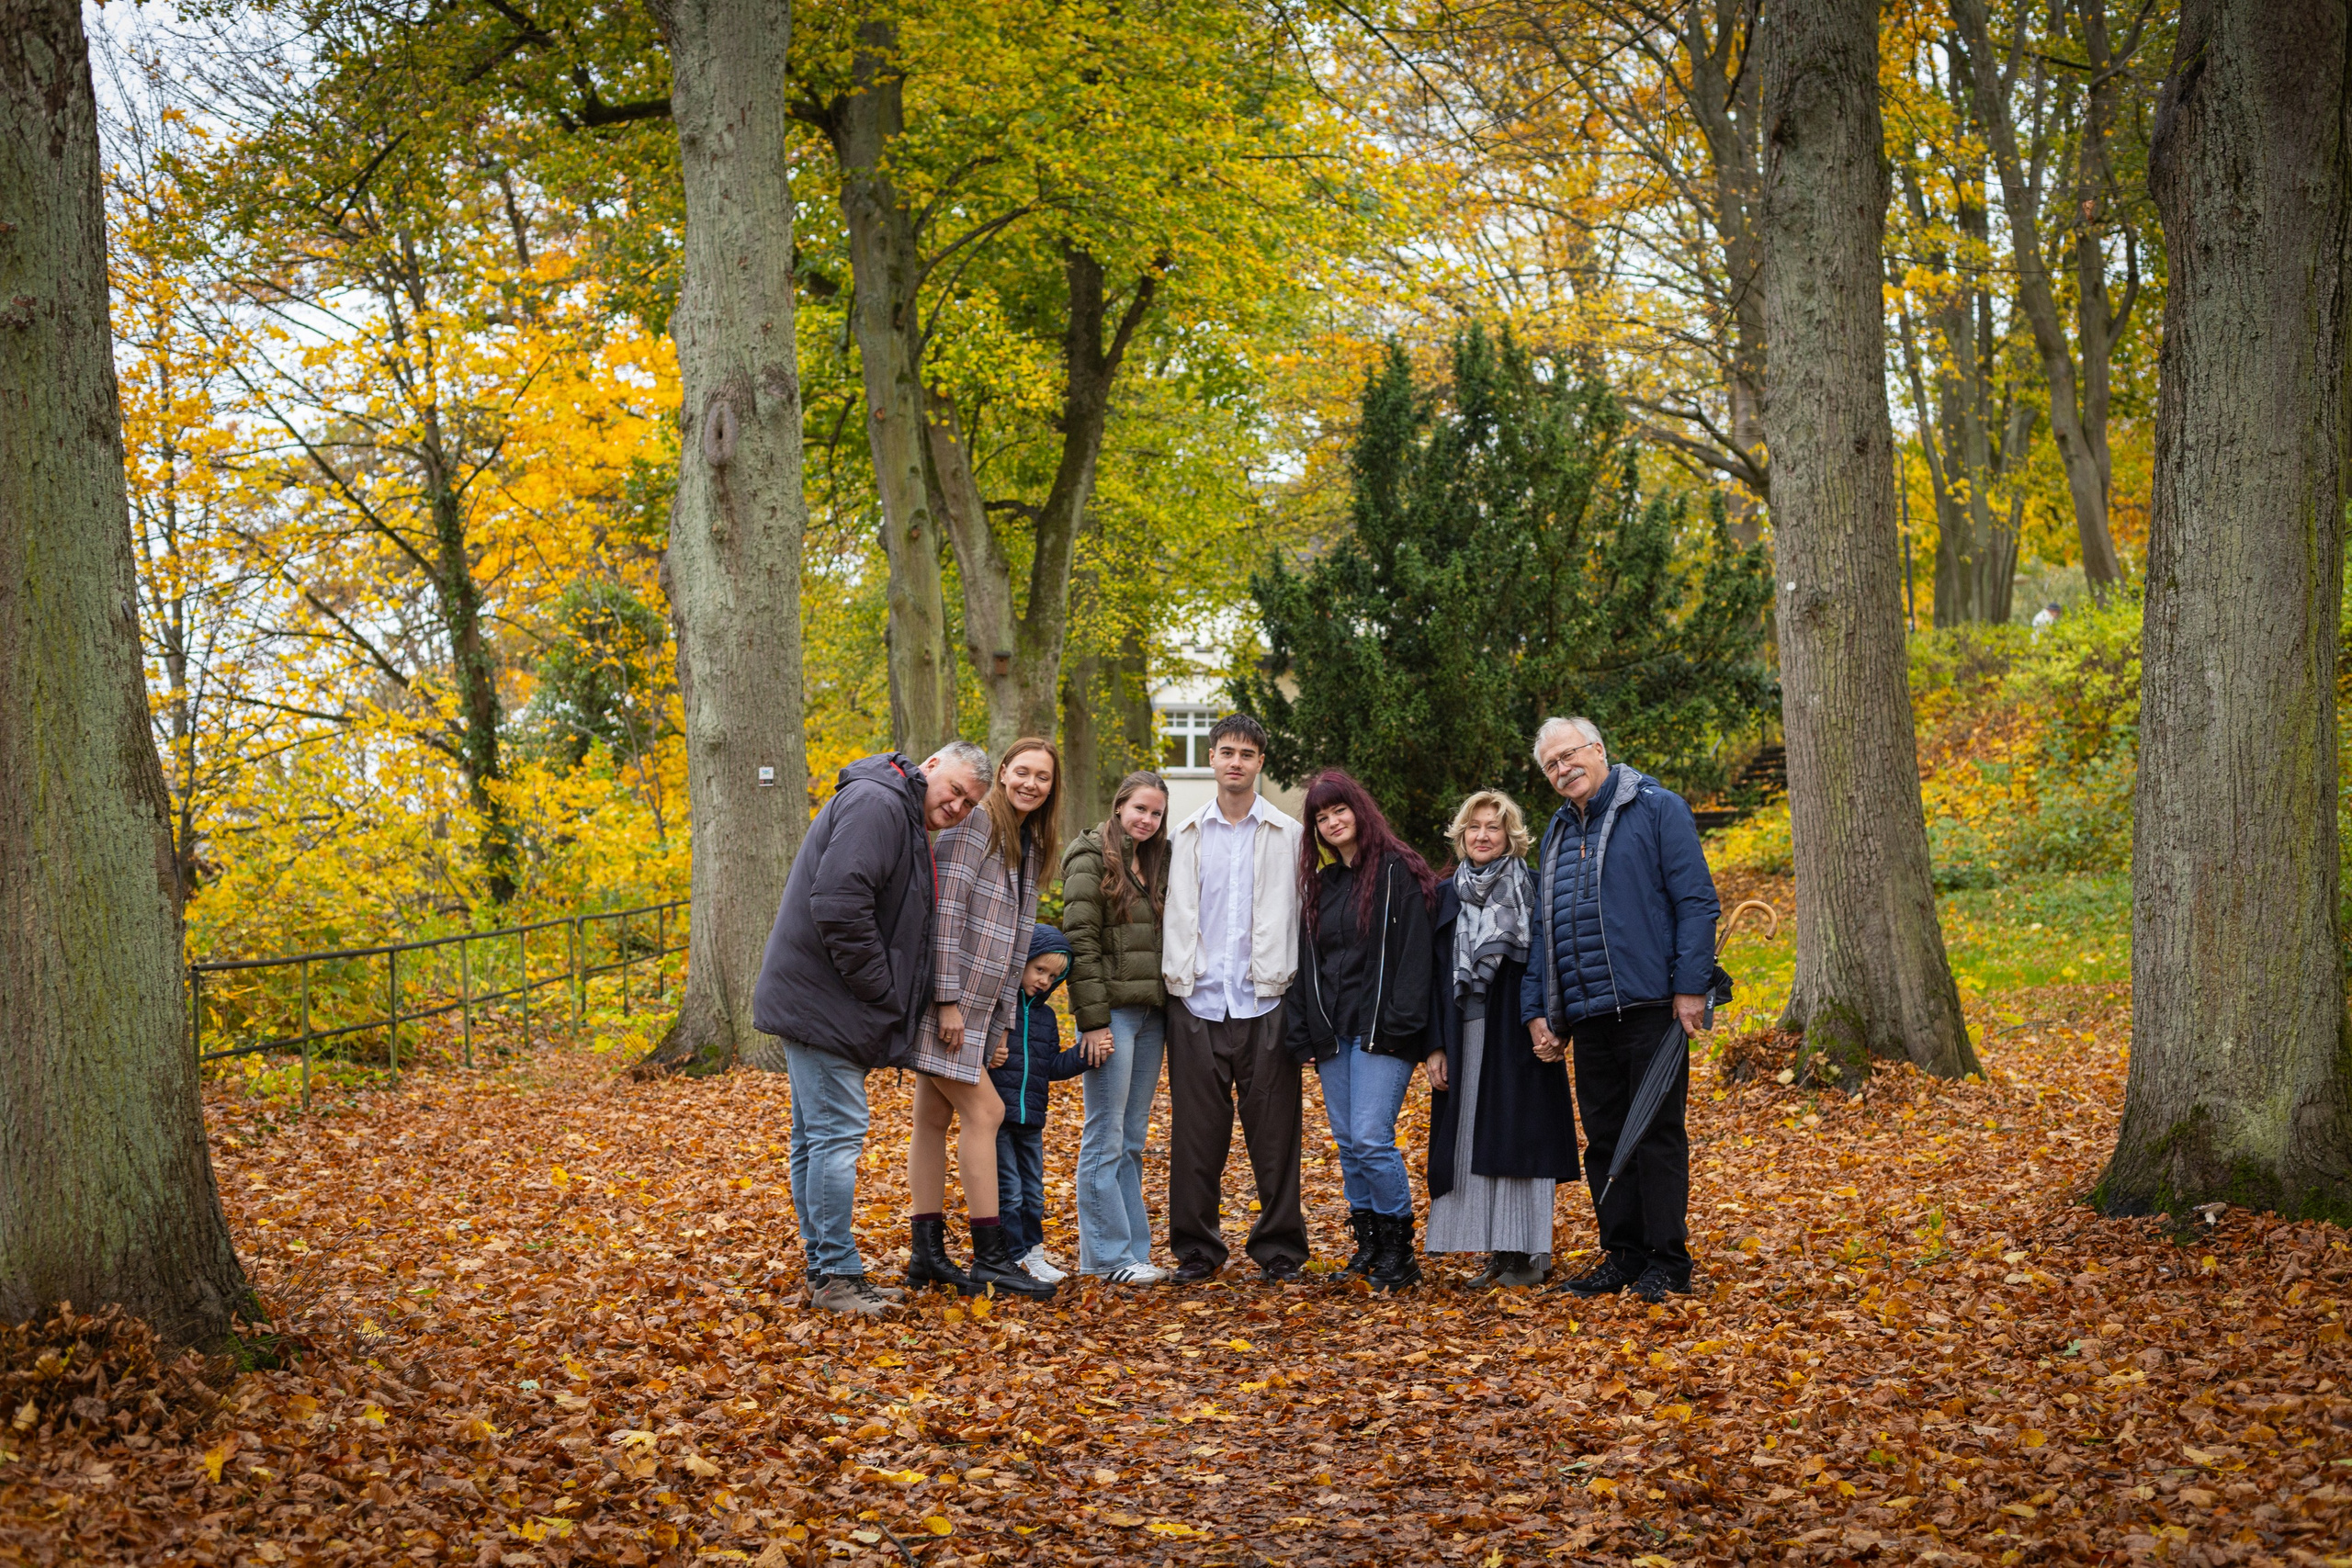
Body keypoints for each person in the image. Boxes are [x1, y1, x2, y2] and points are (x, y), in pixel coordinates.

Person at [752, 742, 990, 1316]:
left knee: (815, 1139)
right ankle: (835, 1275)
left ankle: (825, 1268)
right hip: (827, 1003)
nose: (957, 806)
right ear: (930, 767)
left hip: (822, 1001)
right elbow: (839, 903)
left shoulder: (898, 810)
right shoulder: (878, 803)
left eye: (969, 803)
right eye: (954, 790)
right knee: (835, 1137)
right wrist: (880, 991)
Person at [1521, 716, 1720, 1303]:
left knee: (1656, 1134)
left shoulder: (1657, 809)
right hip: (1587, 1012)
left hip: (1652, 1003)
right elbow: (1543, 931)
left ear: (1599, 750)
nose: (1563, 769)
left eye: (1570, 755)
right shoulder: (1557, 833)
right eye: (1552, 765)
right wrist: (1540, 1010)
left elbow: (1696, 901)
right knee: (1605, 1139)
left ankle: (1668, 1260)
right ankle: (1624, 1254)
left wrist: (1691, 987)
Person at [905, 737, 1065, 1301]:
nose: (1030, 784)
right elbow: (943, 914)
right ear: (1002, 772)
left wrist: (999, 1022)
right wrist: (945, 999)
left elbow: (1016, 942)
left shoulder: (1027, 844)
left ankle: (926, 1255)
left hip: (978, 1008)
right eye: (1022, 772)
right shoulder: (975, 827)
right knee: (988, 1110)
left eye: (1042, 777)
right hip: (948, 1003)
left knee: (931, 1119)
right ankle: (991, 1257)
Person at [1160, 715, 1309, 1284]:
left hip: (1266, 1002)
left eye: (1247, 753)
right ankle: (1196, 1250)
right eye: (1226, 752)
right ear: (1213, 760)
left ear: (1260, 763)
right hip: (1195, 1002)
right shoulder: (1184, 834)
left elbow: (1305, 918)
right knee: (1196, 1137)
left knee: (1275, 1138)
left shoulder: (1290, 836)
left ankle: (1279, 1250)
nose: (1236, 762)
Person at [1283, 770, 1438, 1291]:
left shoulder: (1398, 872)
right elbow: (1311, 964)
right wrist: (1307, 1031)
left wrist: (1403, 1024)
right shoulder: (1325, 886)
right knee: (1349, 1143)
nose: (1331, 822)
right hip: (1335, 1033)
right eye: (1321, 818)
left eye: (1338, 811)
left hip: (1384, 1031)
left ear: (1359, 810)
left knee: (1373, 1138)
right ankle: (1369, 1244)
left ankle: (1400, 1250)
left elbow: (1418, 958)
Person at [1424, 790, 1577, 1288]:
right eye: (1474, 827)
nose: (1483, 835)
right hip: (1464, 1033)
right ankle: (1498, 1250)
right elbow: (1430, 975)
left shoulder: (1534, 888)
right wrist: (1434, 1046)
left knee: (1520, 1140)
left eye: (1494, 827)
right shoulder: (1446, 895)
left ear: (1511, 836)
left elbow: (1554, 961)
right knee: (1472, 1142)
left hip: (1520, 1034)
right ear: (1461, 835)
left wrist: (1554, 1023)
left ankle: (1529, 1254)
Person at [1059, 771, 1174, 1285]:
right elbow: (1079, 941)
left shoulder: (1158, 859)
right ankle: (1109, 1258)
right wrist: (1093, 1022)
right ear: (1119, 806)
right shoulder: (1089, 856)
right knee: (1104, 1136)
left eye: (1156, 813)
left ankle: (1127, 1255)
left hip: (1152, 1014)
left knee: (1130, 1139)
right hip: (1112, 1016)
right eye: (1140, 810)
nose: (1147, 820)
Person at [987, 924, 1087, 1283]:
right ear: (1020, 963)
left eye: (1054, 975)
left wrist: (1083, 1057)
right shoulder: (998, 1008)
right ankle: (1012, 1256)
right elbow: (977, 1056)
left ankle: (1035, 1254)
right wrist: (988, 1056)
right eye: (1039, 969)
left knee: (1033, 1193)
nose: (1045, 980)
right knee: (1009, 1193)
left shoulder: (1045, 1017)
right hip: (998, 1117)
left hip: (1032, 1120)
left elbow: (1050, 1067)